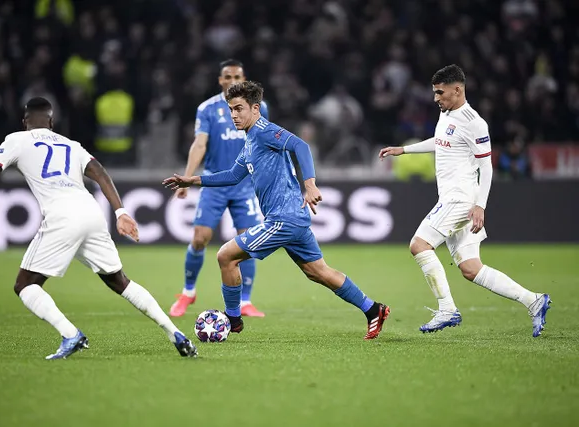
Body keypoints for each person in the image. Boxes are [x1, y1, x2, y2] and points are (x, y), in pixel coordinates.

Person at [0, 97, 198, 359]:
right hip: (91, 212)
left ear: (24, 122)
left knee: (25, 285)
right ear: (52, 122)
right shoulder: (71, 144)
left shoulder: (15, 140)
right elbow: (99, 172)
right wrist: (120, 212)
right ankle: (175, 333)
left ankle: (70, 334)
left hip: (62, 216)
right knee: (120, 281)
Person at [164, 81, 390, 340]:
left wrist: (310, 184)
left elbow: (300, 146)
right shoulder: (250, 141)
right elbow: (233, 175)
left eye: (239, 109)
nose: (234, 115)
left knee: (226, 256)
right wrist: (193, 180)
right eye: (230, 110)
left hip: (283, 219)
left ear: (255, 108)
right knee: (318, 272)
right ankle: (373, 309)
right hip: (293, 218)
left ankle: (234, 320)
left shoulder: (263, 130)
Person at [379, 64, 551, 337]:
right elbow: (440, 141)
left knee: (419, 245)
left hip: (461, 200)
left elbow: (487, 167)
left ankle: (447, 309)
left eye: (440, 92)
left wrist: (479, 205)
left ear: (457, 90)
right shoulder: (446, 114)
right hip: (454, 199)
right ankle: (534, 300)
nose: (436, 98)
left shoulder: (474, 123)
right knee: (471, 269)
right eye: (435, 92)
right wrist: (404, 150)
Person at [170, 59, 269, 318]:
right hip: (214, 183)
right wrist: (187, 177)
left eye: (237, 75)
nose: (232, 80)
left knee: (248, 243)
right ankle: (188, 292)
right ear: (220, 80)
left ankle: (245, 301)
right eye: (227, 76)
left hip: (245, 185)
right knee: (200, 238)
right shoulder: (208, 109)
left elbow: (263, 144)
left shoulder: (259, 108)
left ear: (244, 78)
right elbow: (199, 144)